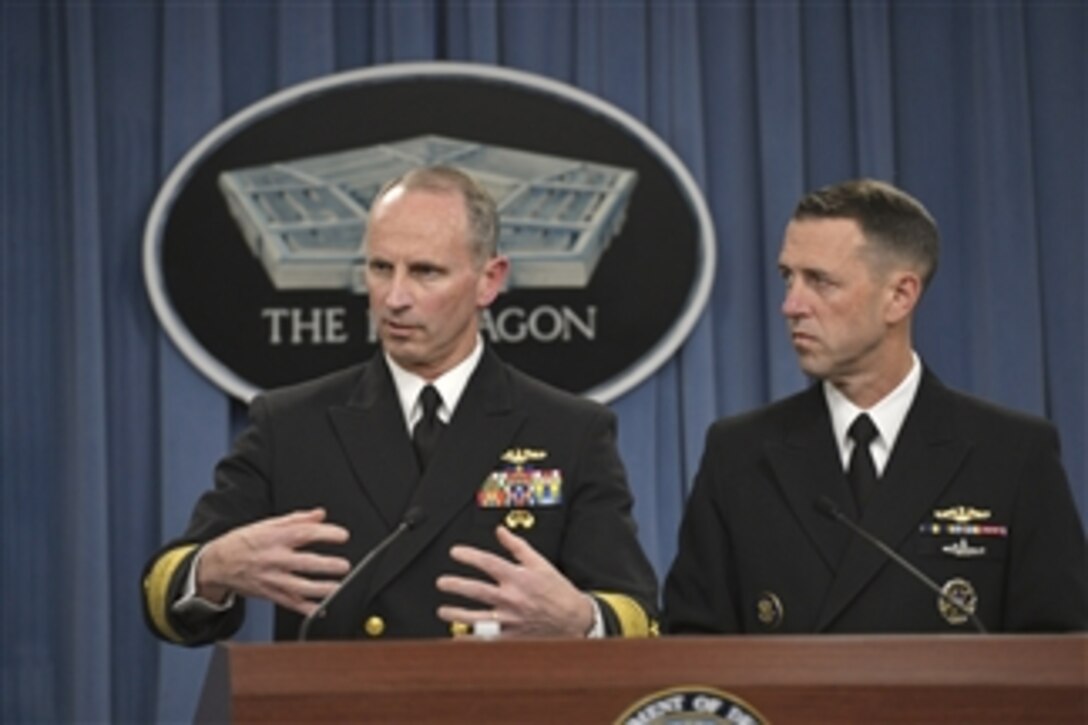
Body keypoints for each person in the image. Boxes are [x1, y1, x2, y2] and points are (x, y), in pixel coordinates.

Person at [142, 165, 658, 644]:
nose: (394, 298)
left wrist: (581, 620)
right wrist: (211, 570)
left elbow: (638, 615)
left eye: (426, 272)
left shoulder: (568, 430)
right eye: (380, 267)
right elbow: (166, 601)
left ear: (489, 280)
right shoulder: (291, 424)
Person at [664, 178, 1086, 634]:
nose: (791, 305)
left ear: (900, 296)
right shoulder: (740, 453)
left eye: (820, 281)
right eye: (788, 277)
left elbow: (1059, 654)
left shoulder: (1011, 453)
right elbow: (694, 648)